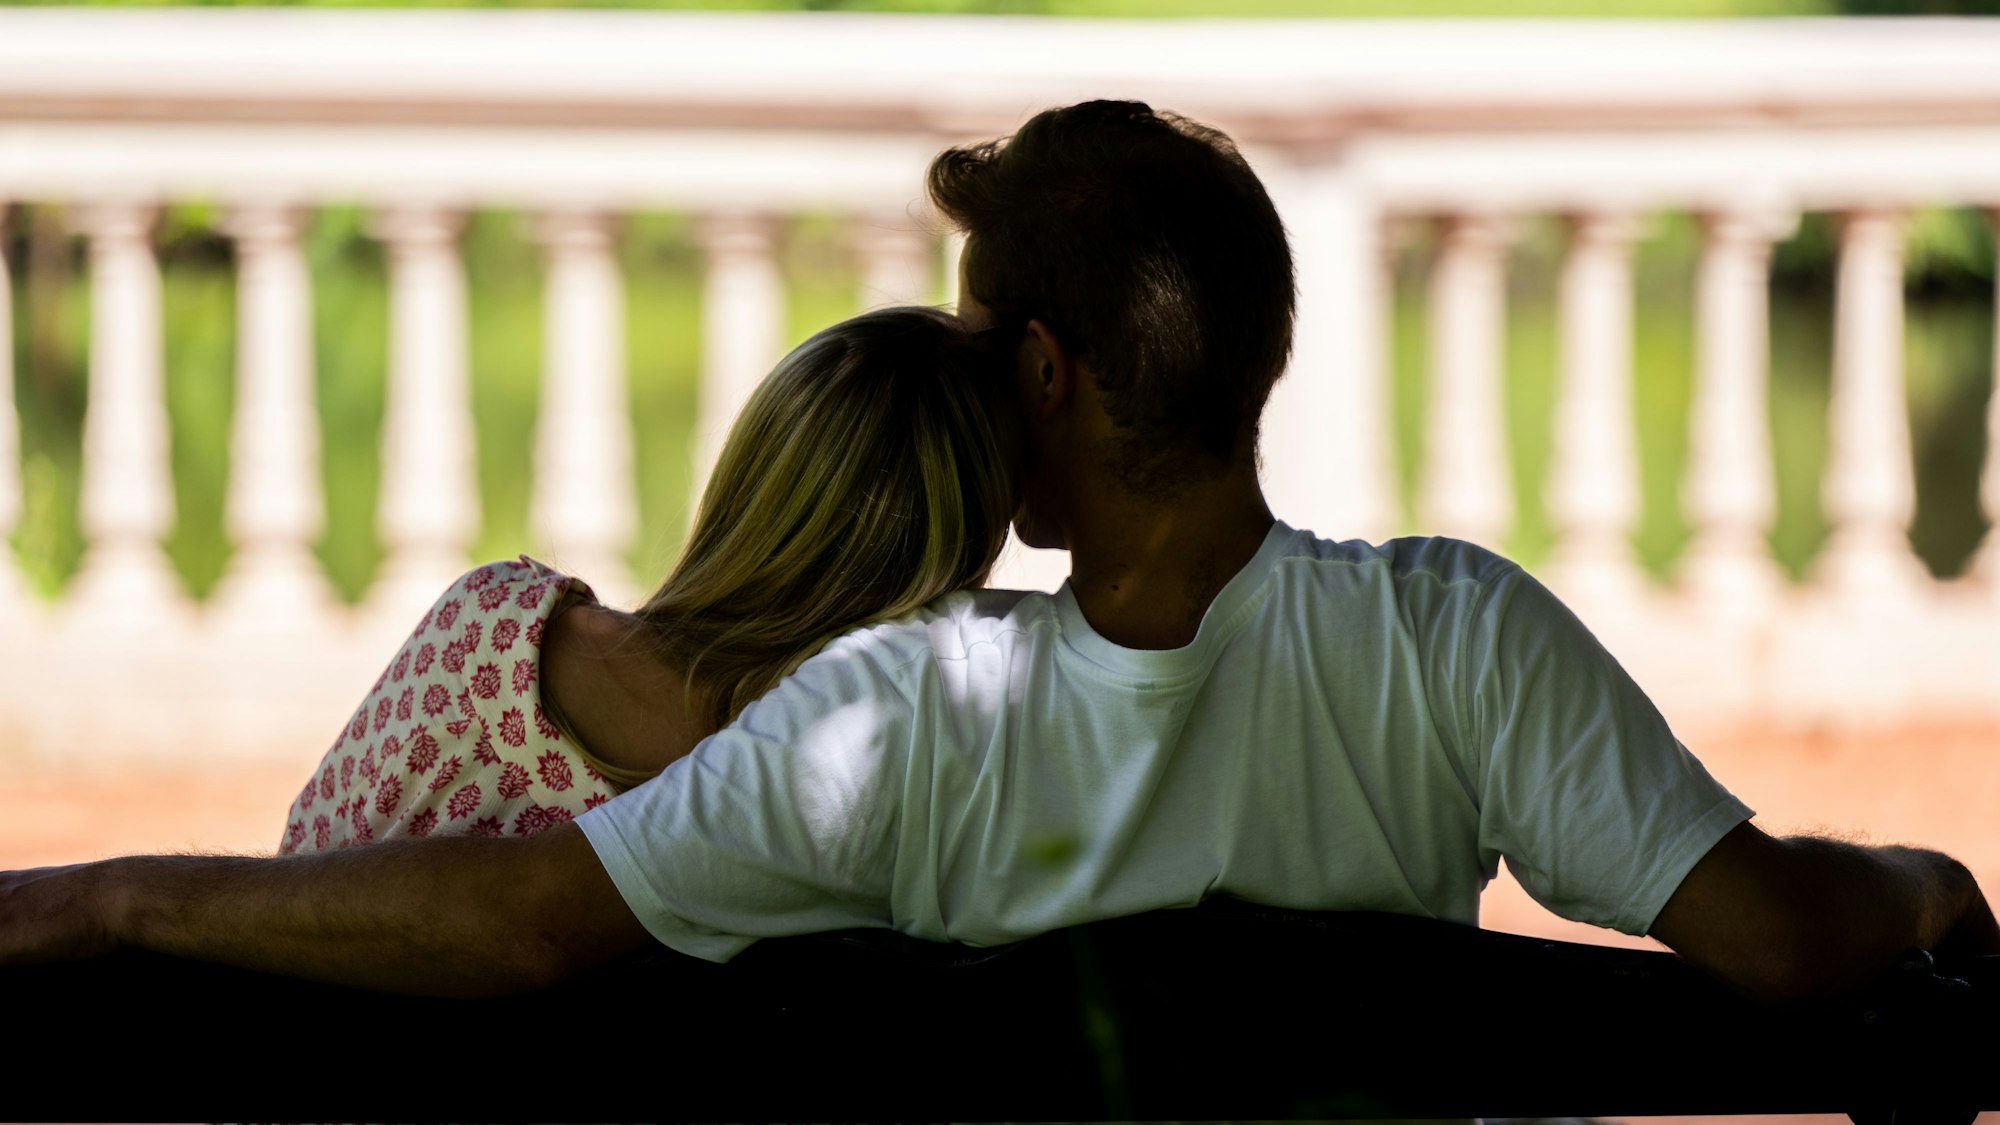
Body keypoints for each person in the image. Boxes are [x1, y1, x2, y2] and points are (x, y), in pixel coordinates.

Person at [2, 101, 1994, 1004]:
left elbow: (521, 924)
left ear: (1042, 371)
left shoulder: (901, 722)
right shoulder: (1454, 643)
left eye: (975, 329)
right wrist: (1925, 874)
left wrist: (97, 907)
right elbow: (1773, 936)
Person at [278, 304, 1022, 854]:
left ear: (752, 476)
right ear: (959, 556)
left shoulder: (497, 638)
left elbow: (297, 877)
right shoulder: (867, 802)